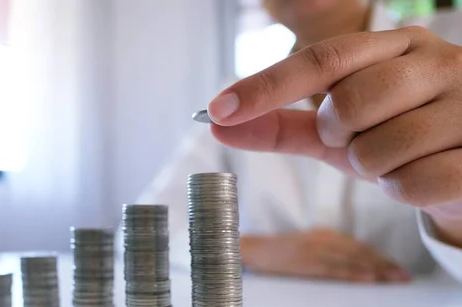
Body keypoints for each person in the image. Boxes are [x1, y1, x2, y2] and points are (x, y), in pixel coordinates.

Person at [127, 0, 462, 284]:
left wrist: (454, 221)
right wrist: (251, 249)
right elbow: (140, 232)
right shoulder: (230, 103)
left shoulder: (455, 48)